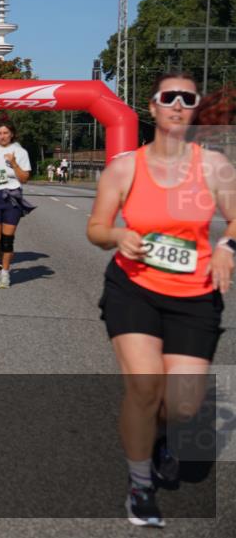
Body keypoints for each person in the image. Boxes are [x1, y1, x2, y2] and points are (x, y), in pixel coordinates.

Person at [86, 73, 235, 527]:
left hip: (195, 295)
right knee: (145, 387)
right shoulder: (124, 168)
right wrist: (118, 236)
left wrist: (227, 248)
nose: (177, 104)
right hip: (133, 290)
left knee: (182, 406)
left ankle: (160, 436)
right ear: (151, 107)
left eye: (187, 98)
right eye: (168, 97)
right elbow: (96, 229)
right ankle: (140, 485)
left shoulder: (214, 167)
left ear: (195, 109)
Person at [0, 119, 34, 289]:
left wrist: (14, 163)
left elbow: (24, 178)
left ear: (12, 134)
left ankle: (5, 273)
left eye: (5, 133)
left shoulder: (21, 152)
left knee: (7, 241)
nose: (2, 136)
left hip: (12, 197)